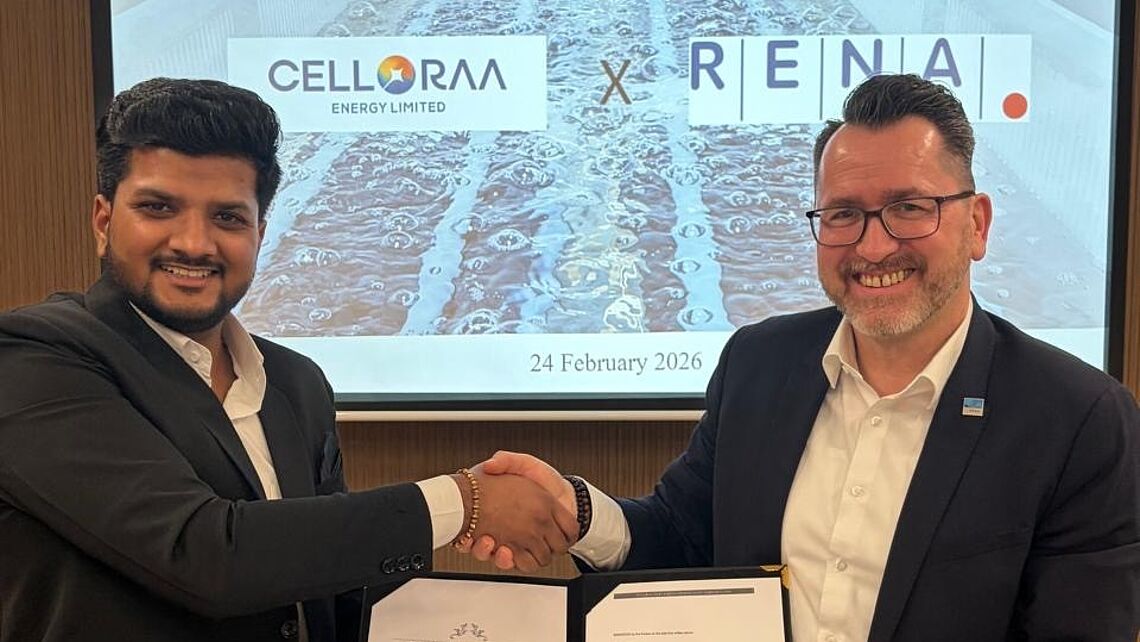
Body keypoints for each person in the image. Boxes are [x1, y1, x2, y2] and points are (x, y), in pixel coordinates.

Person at [472, 75, 1140, 641]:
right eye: (843, 214)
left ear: (977, 224)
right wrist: (578, 513)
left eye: (910, 208)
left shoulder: (1078, 419)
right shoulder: (759, 364)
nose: (873, 247)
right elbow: (683, 538)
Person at [0, 78, 576, 642]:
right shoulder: (33, 358)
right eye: (158, 208)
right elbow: (204, 554)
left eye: (227, 217)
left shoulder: (295, 382)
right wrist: (463, 502)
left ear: (260, 232)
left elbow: (331, 588)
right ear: (104, 222)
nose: (194, 243)